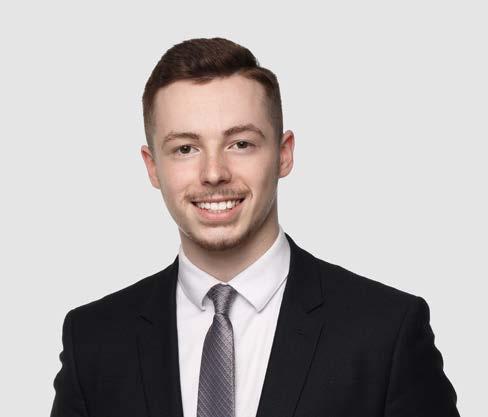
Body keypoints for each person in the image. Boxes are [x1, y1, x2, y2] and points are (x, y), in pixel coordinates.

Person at [50, 37, 460, 417]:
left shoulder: (386, 332)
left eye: (241, 144)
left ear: (283, 155)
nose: (213, 173)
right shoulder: (93, 341)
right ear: (153, 167)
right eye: (185, 148)